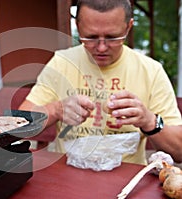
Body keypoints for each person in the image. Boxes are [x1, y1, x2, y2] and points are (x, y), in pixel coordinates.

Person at [19, 0, 182, 165]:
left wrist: (149, 121)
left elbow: (179, 151)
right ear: (78, 25)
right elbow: (18, 128)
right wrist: (56, 110)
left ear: (128, 27)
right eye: (91, 37)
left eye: (112, 37)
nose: (102, 47)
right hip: (68, 176)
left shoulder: (151, 71)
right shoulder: (62, 63)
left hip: (127, 182)